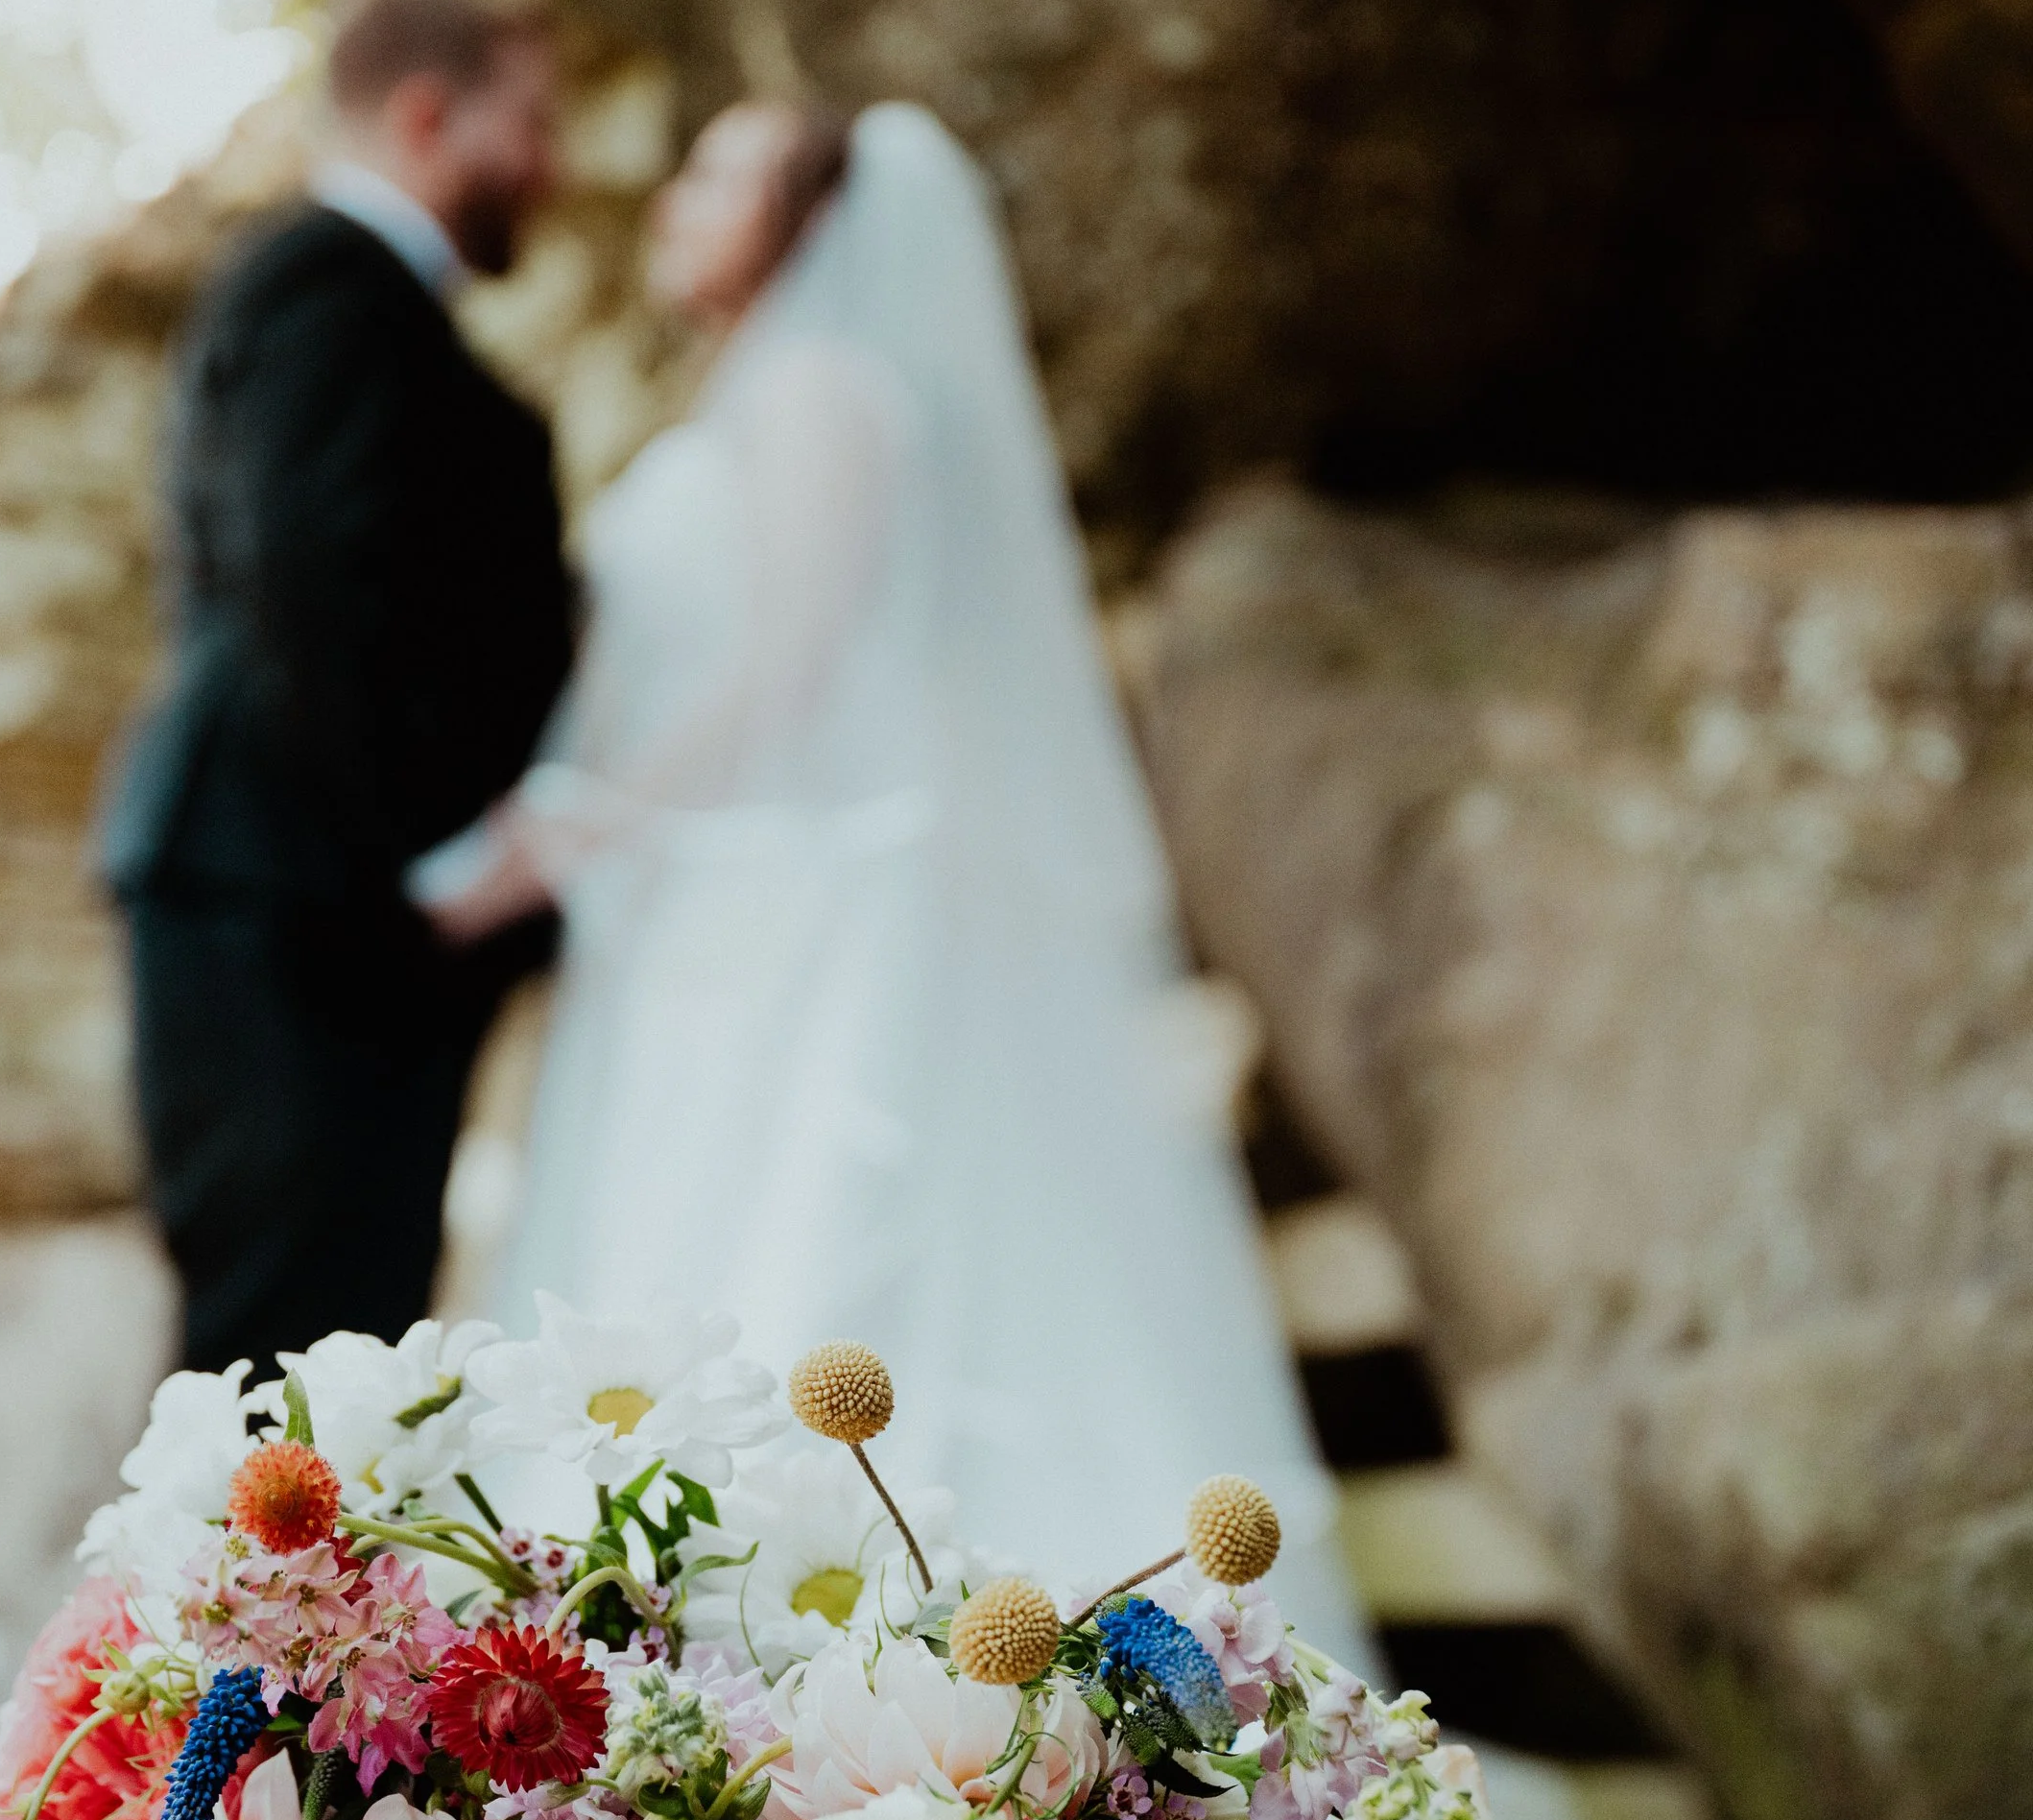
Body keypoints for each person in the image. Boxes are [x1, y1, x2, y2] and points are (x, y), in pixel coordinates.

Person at [446, 97, 1368, 1654]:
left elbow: (793, 664)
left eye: (715, 174)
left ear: (808, 221)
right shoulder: (756, 382)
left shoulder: (817, 387)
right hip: (728, 910)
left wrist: (589, 820)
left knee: (804, 1251)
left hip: (805, 914)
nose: (671, 199)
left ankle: (842, 1671)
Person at [102, 0, 574, 1377]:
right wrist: (446, 847)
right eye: (530, 121)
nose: (549, 166)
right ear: (427, 114)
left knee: (343, 1358)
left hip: (321, 906)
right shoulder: (325, 280)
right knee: (282, 1379)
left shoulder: (366, 303)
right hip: (283, 904)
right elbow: (304, 571)